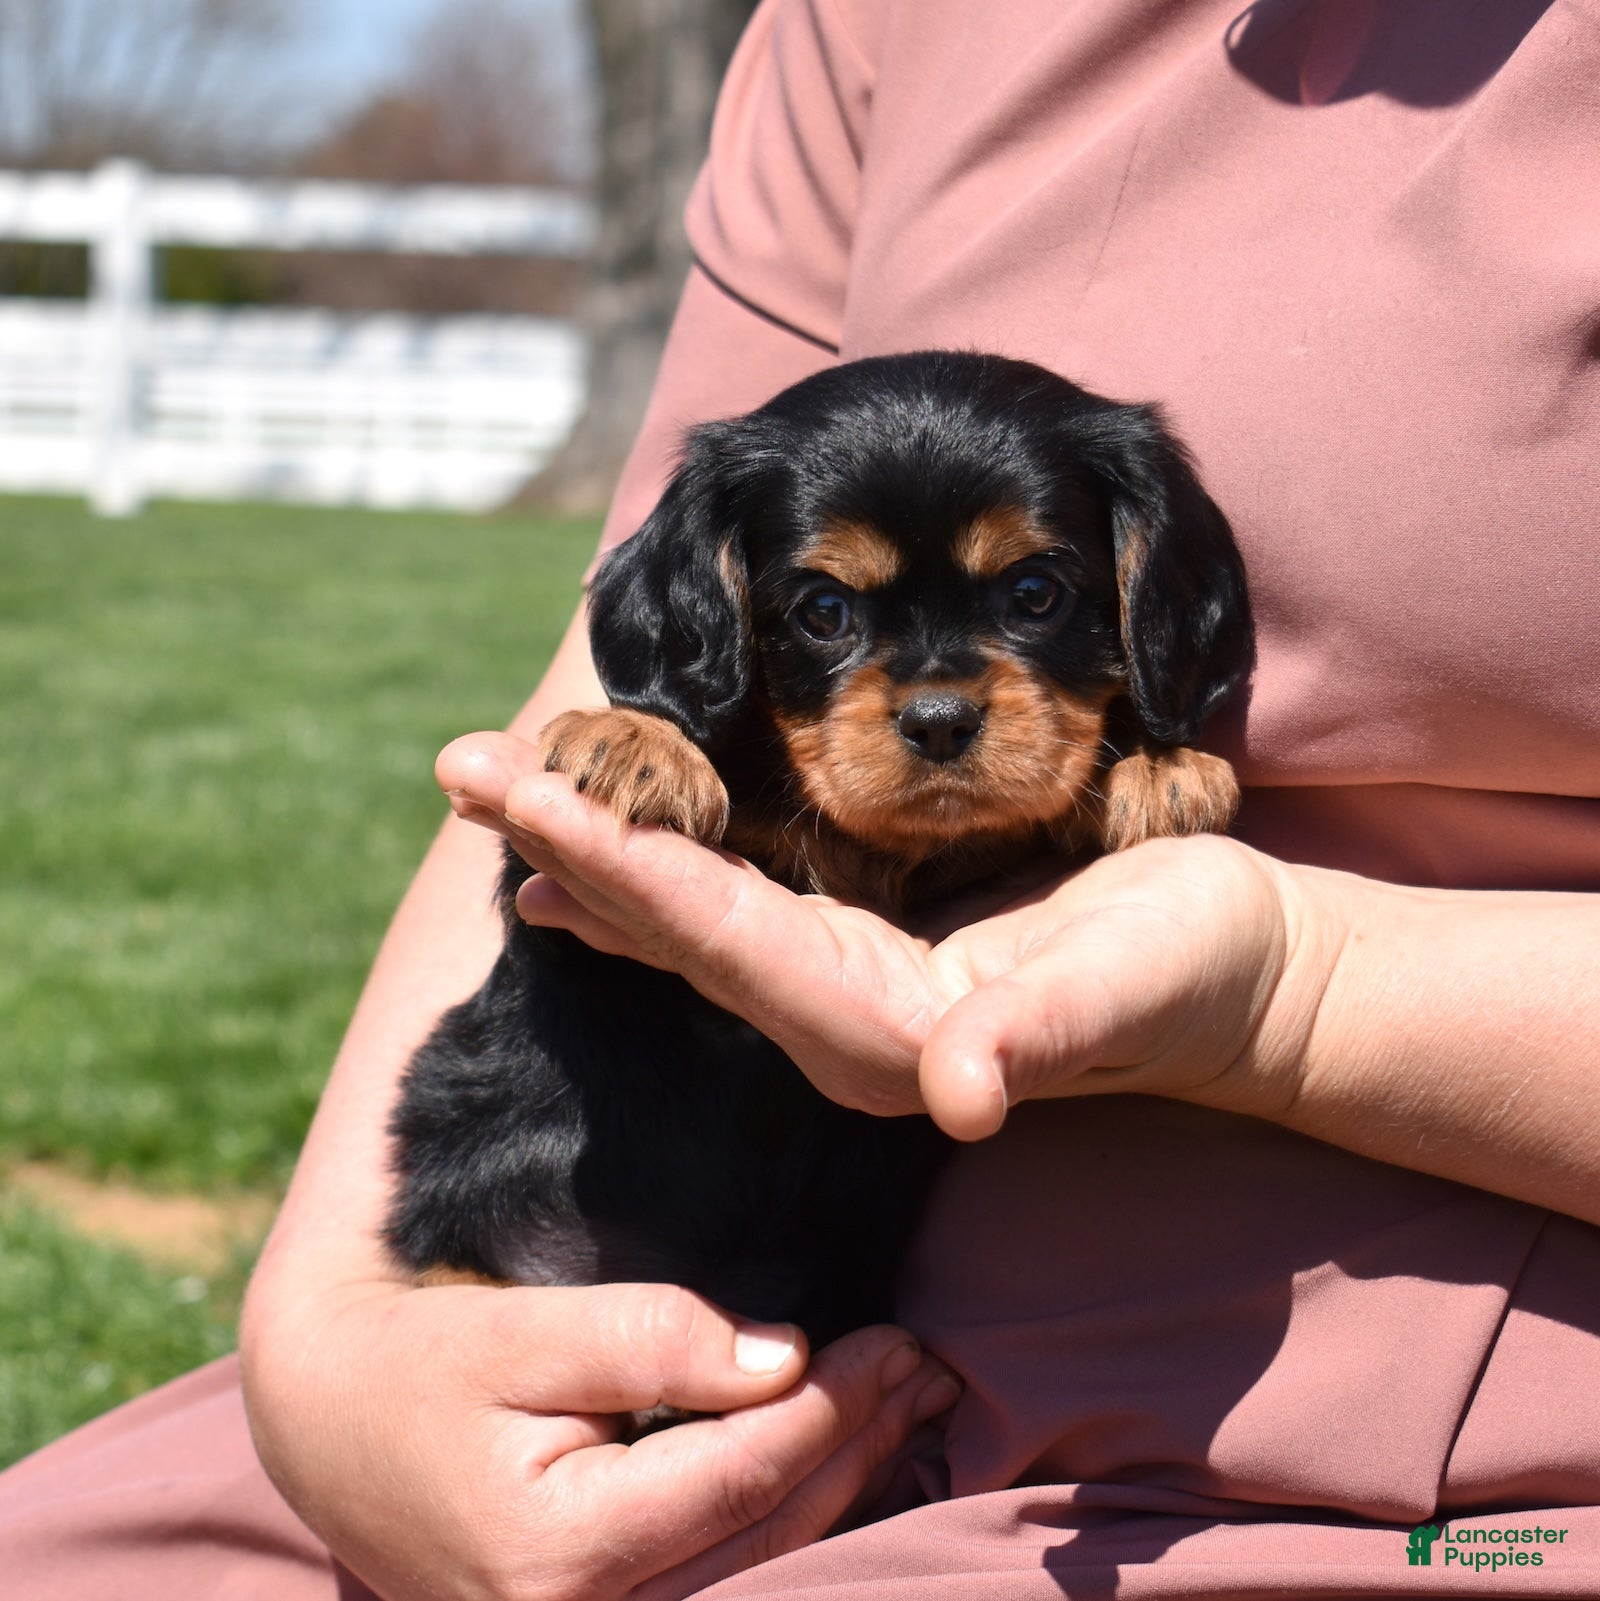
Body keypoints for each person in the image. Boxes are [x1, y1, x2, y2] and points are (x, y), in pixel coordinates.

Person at [4, 0, 1599, 1596]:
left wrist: (1296, 981)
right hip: (594, 1286)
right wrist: (330, 1348)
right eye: (832, 619)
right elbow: (609, 671)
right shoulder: (884, 19)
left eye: (1032, 601)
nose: (936, 695)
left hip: (1373, 1478)